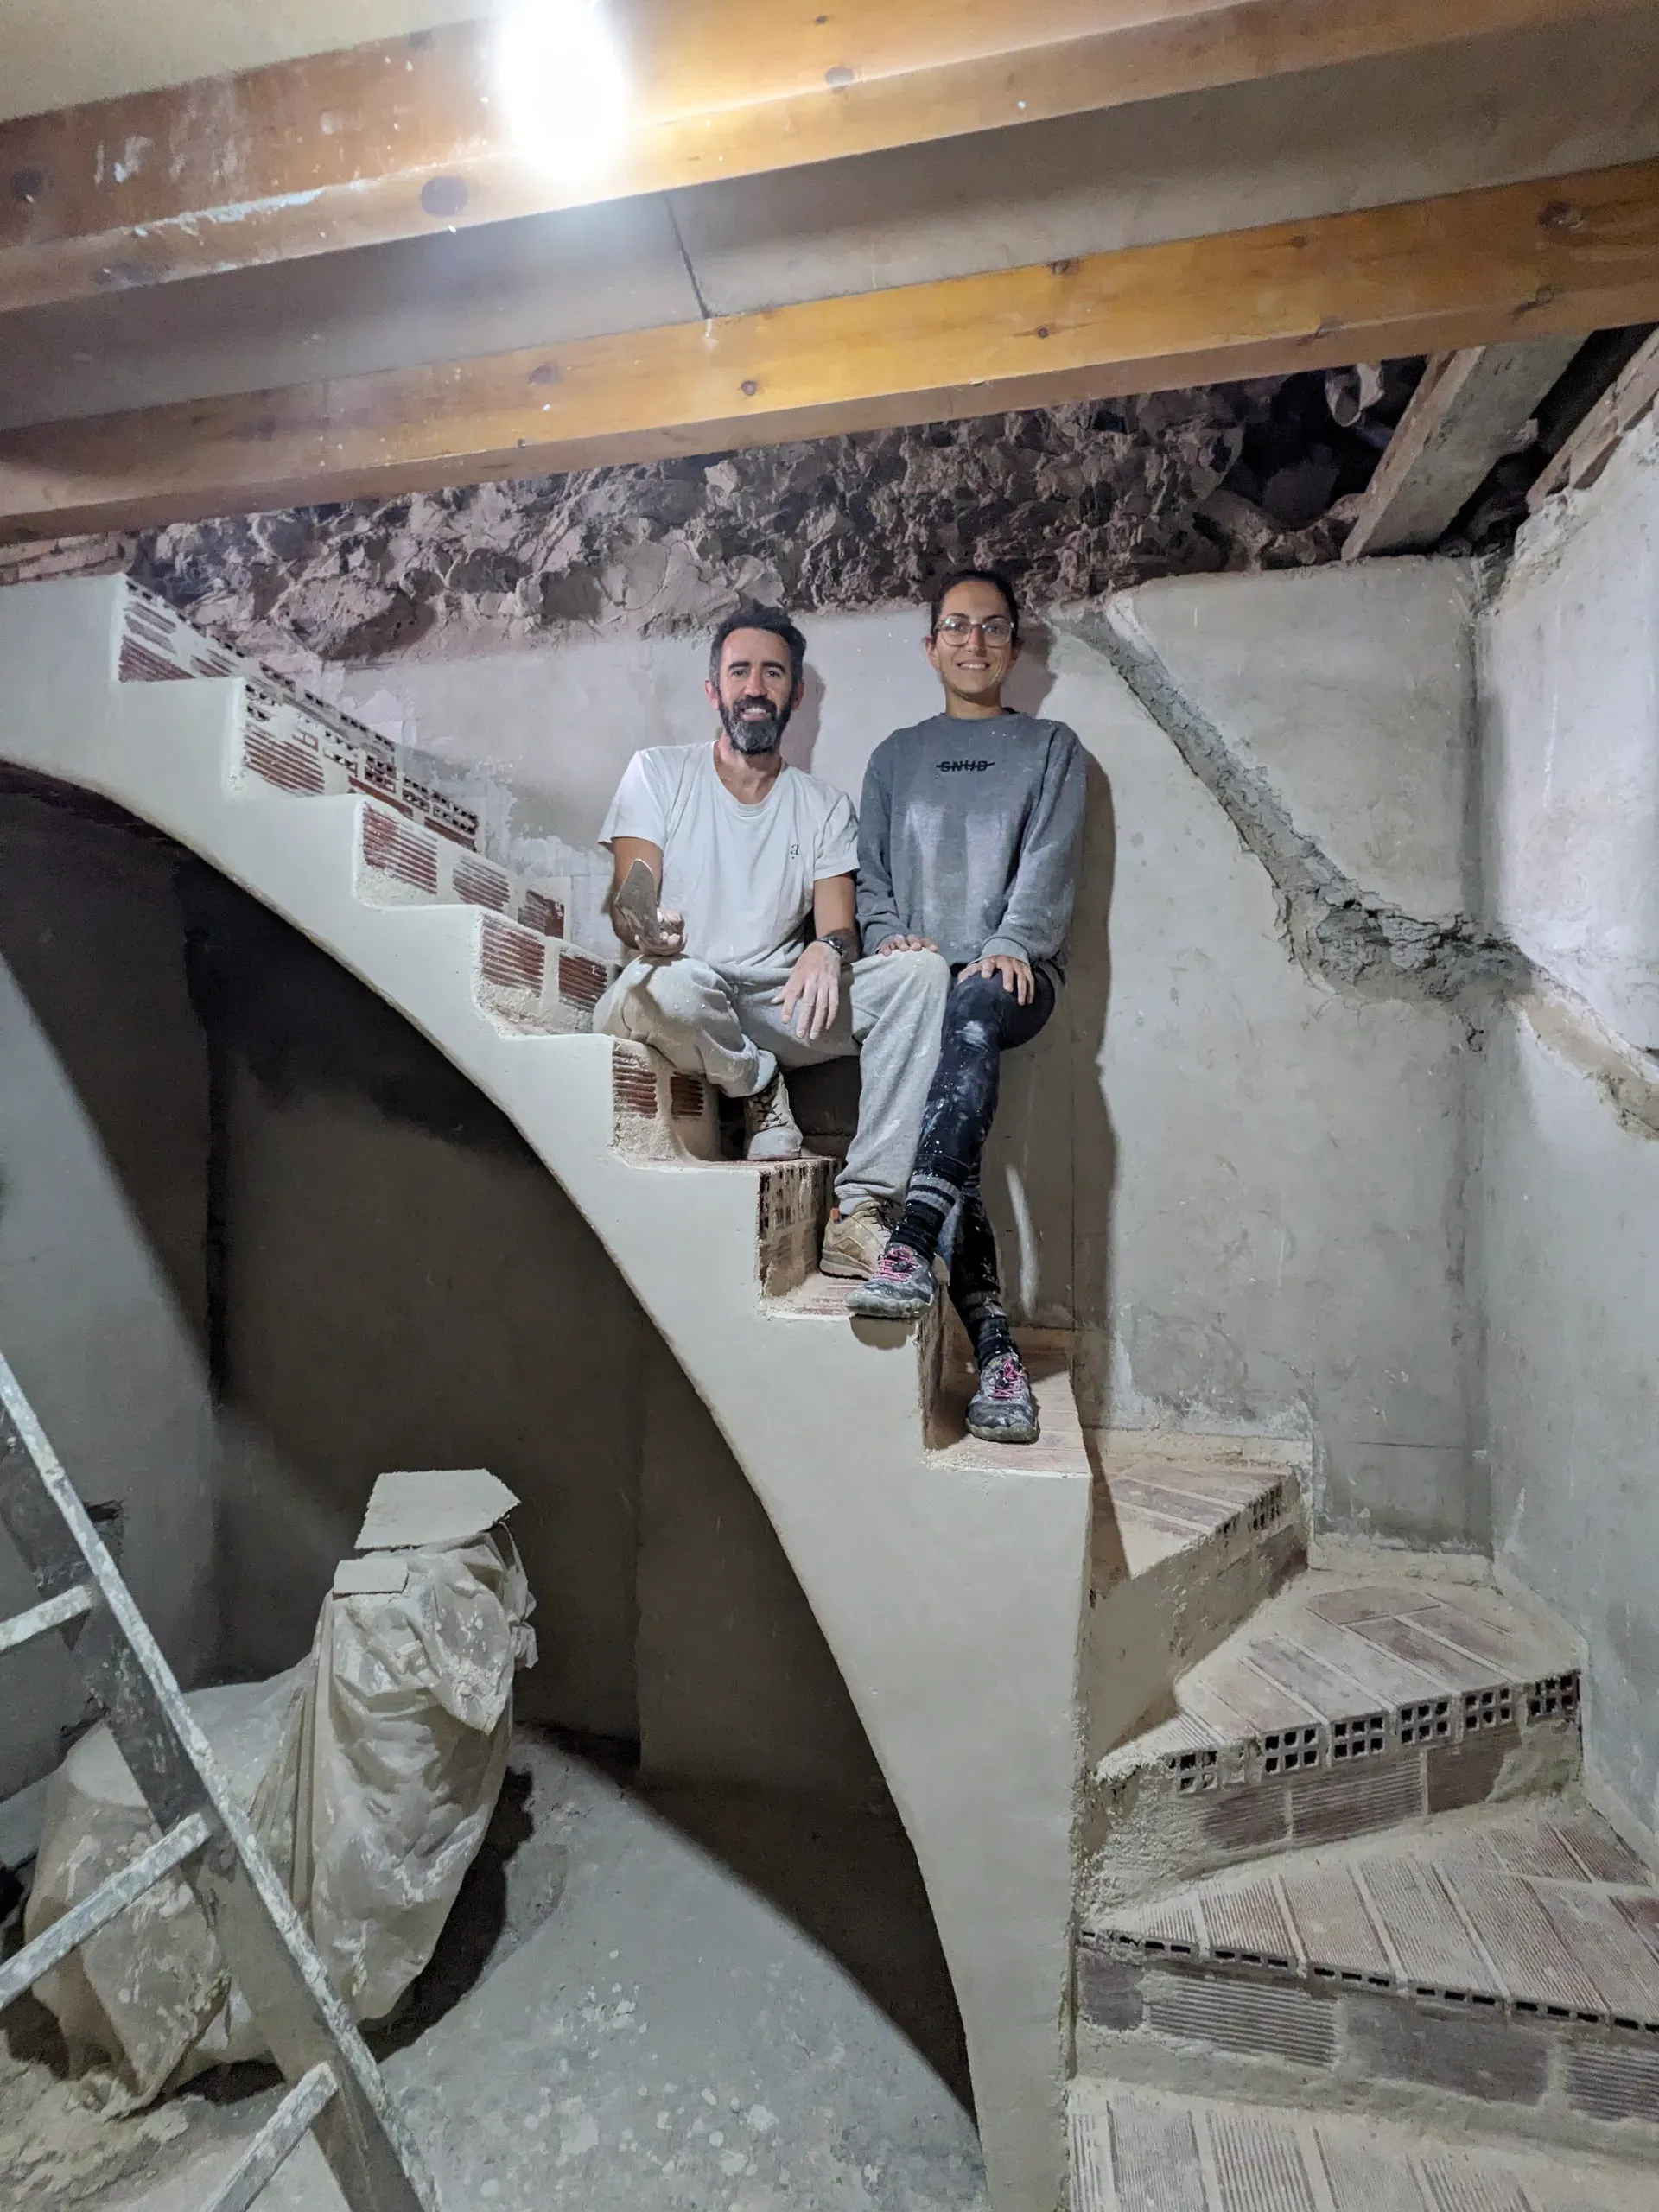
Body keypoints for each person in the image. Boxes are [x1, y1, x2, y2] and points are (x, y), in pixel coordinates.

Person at [592, 605, 950, 1276]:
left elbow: (840, 926)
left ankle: (862, 1210)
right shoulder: (658, 772)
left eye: (772, 672)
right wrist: (643, 924)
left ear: (794, 693)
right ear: (714, 690)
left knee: (922, 977)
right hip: (675, 982)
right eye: (739, 671)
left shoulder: (822, 805)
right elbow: (629, 894)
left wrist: (828, 948)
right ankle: (757, 1086)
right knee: (676, 985)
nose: (755, 686)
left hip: (772, 1000)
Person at [848, 569, 1087, 1445]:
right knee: (959, 1125)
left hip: (1012, 977)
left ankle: (908, 1233)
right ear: (932, 645)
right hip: (920, 982)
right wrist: (887, 936)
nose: (974, 641)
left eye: (993, 628)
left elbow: (1050, 865)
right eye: (958, 625)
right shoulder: (895, 756)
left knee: (975, 1007)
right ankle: (996, 1347)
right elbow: (870, 875)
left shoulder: (1053, 748)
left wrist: (1011, 942)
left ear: (1014, 647)